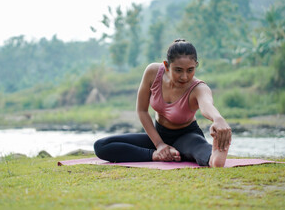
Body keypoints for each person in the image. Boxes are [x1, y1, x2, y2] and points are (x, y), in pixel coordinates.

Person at [94, 39, 232, 167]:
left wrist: (217, 118)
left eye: (190, 70)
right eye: (178, 70)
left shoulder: (198, 88)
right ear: (166, 65)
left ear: (195, 66)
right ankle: (156, 155)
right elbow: (142, 110)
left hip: (186, 137)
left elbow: (207, 105)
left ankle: (216, 155)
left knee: (202, 151)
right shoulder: (153, 72)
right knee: (101, 146)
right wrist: (159, 145)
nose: (184, 76)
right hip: (157, 136)